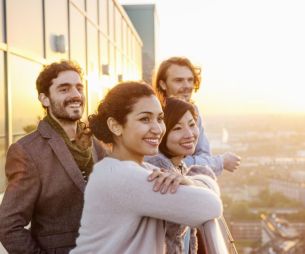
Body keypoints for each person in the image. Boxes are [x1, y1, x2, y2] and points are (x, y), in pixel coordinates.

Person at [71, 81, 222, 254]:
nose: (157, 129)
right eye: (145, 119)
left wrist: (189, 181)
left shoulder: (139, 169)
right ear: (115, 126)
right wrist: (197, 184)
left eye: (160, 119)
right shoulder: (126, 178)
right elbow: (212, 205)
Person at [0, 60, 105, 254]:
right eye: (64, 89)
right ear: (45, 99)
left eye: (79, 88)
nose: (75, 95)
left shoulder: (97, 142)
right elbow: (8, 226)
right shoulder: (27, 151)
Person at [146, 97, 216, 254]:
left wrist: (191, 184)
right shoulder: (157, 169)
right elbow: (209, 206)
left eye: (192, 125)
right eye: (177, 128)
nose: (189, 134)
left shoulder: (179, 166)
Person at [153, 56, 241, 176]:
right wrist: (220, 161)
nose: (187, 86)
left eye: (190, 80)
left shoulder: (193, 111)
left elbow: (204, 155)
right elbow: (159, 161)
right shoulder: (153, 115)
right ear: (163, 84)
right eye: (179, 80)